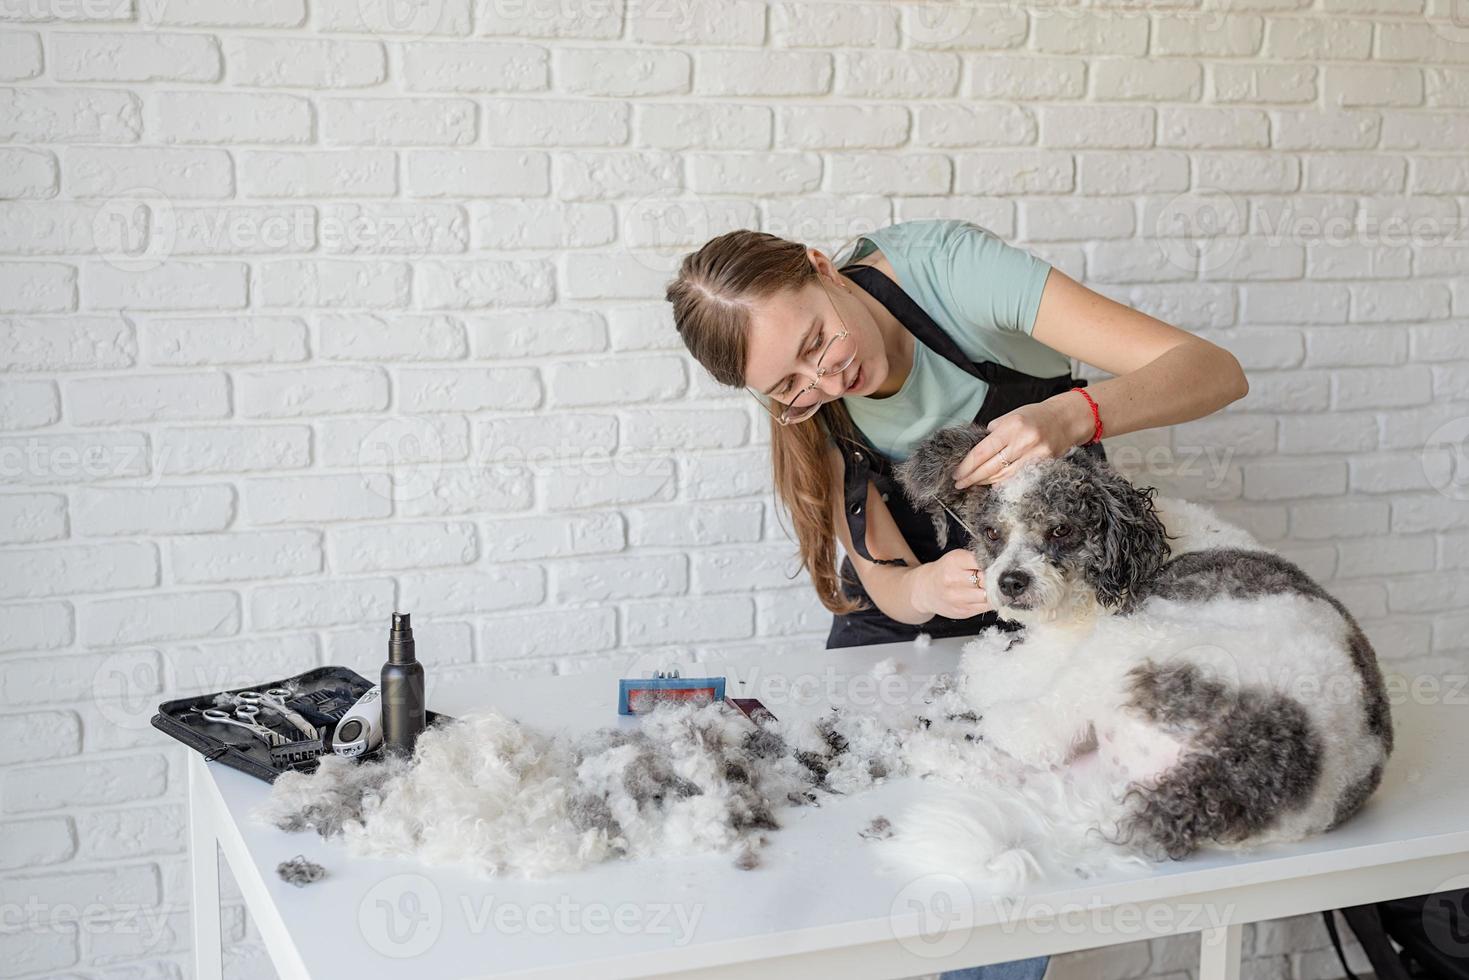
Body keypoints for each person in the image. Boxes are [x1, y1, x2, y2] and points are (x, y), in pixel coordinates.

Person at [665, 217, 1248, 979]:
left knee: (1002, 838)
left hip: (1050, 586)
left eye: (816, 346)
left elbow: (1214, 371)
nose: (826, 383)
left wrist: (1074, 413)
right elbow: (878, 575)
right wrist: (921, 589)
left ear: (820, 267)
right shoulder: (803, 395)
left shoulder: (951, 273)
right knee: (842, 819)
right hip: (909, 607)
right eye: (788, 387)